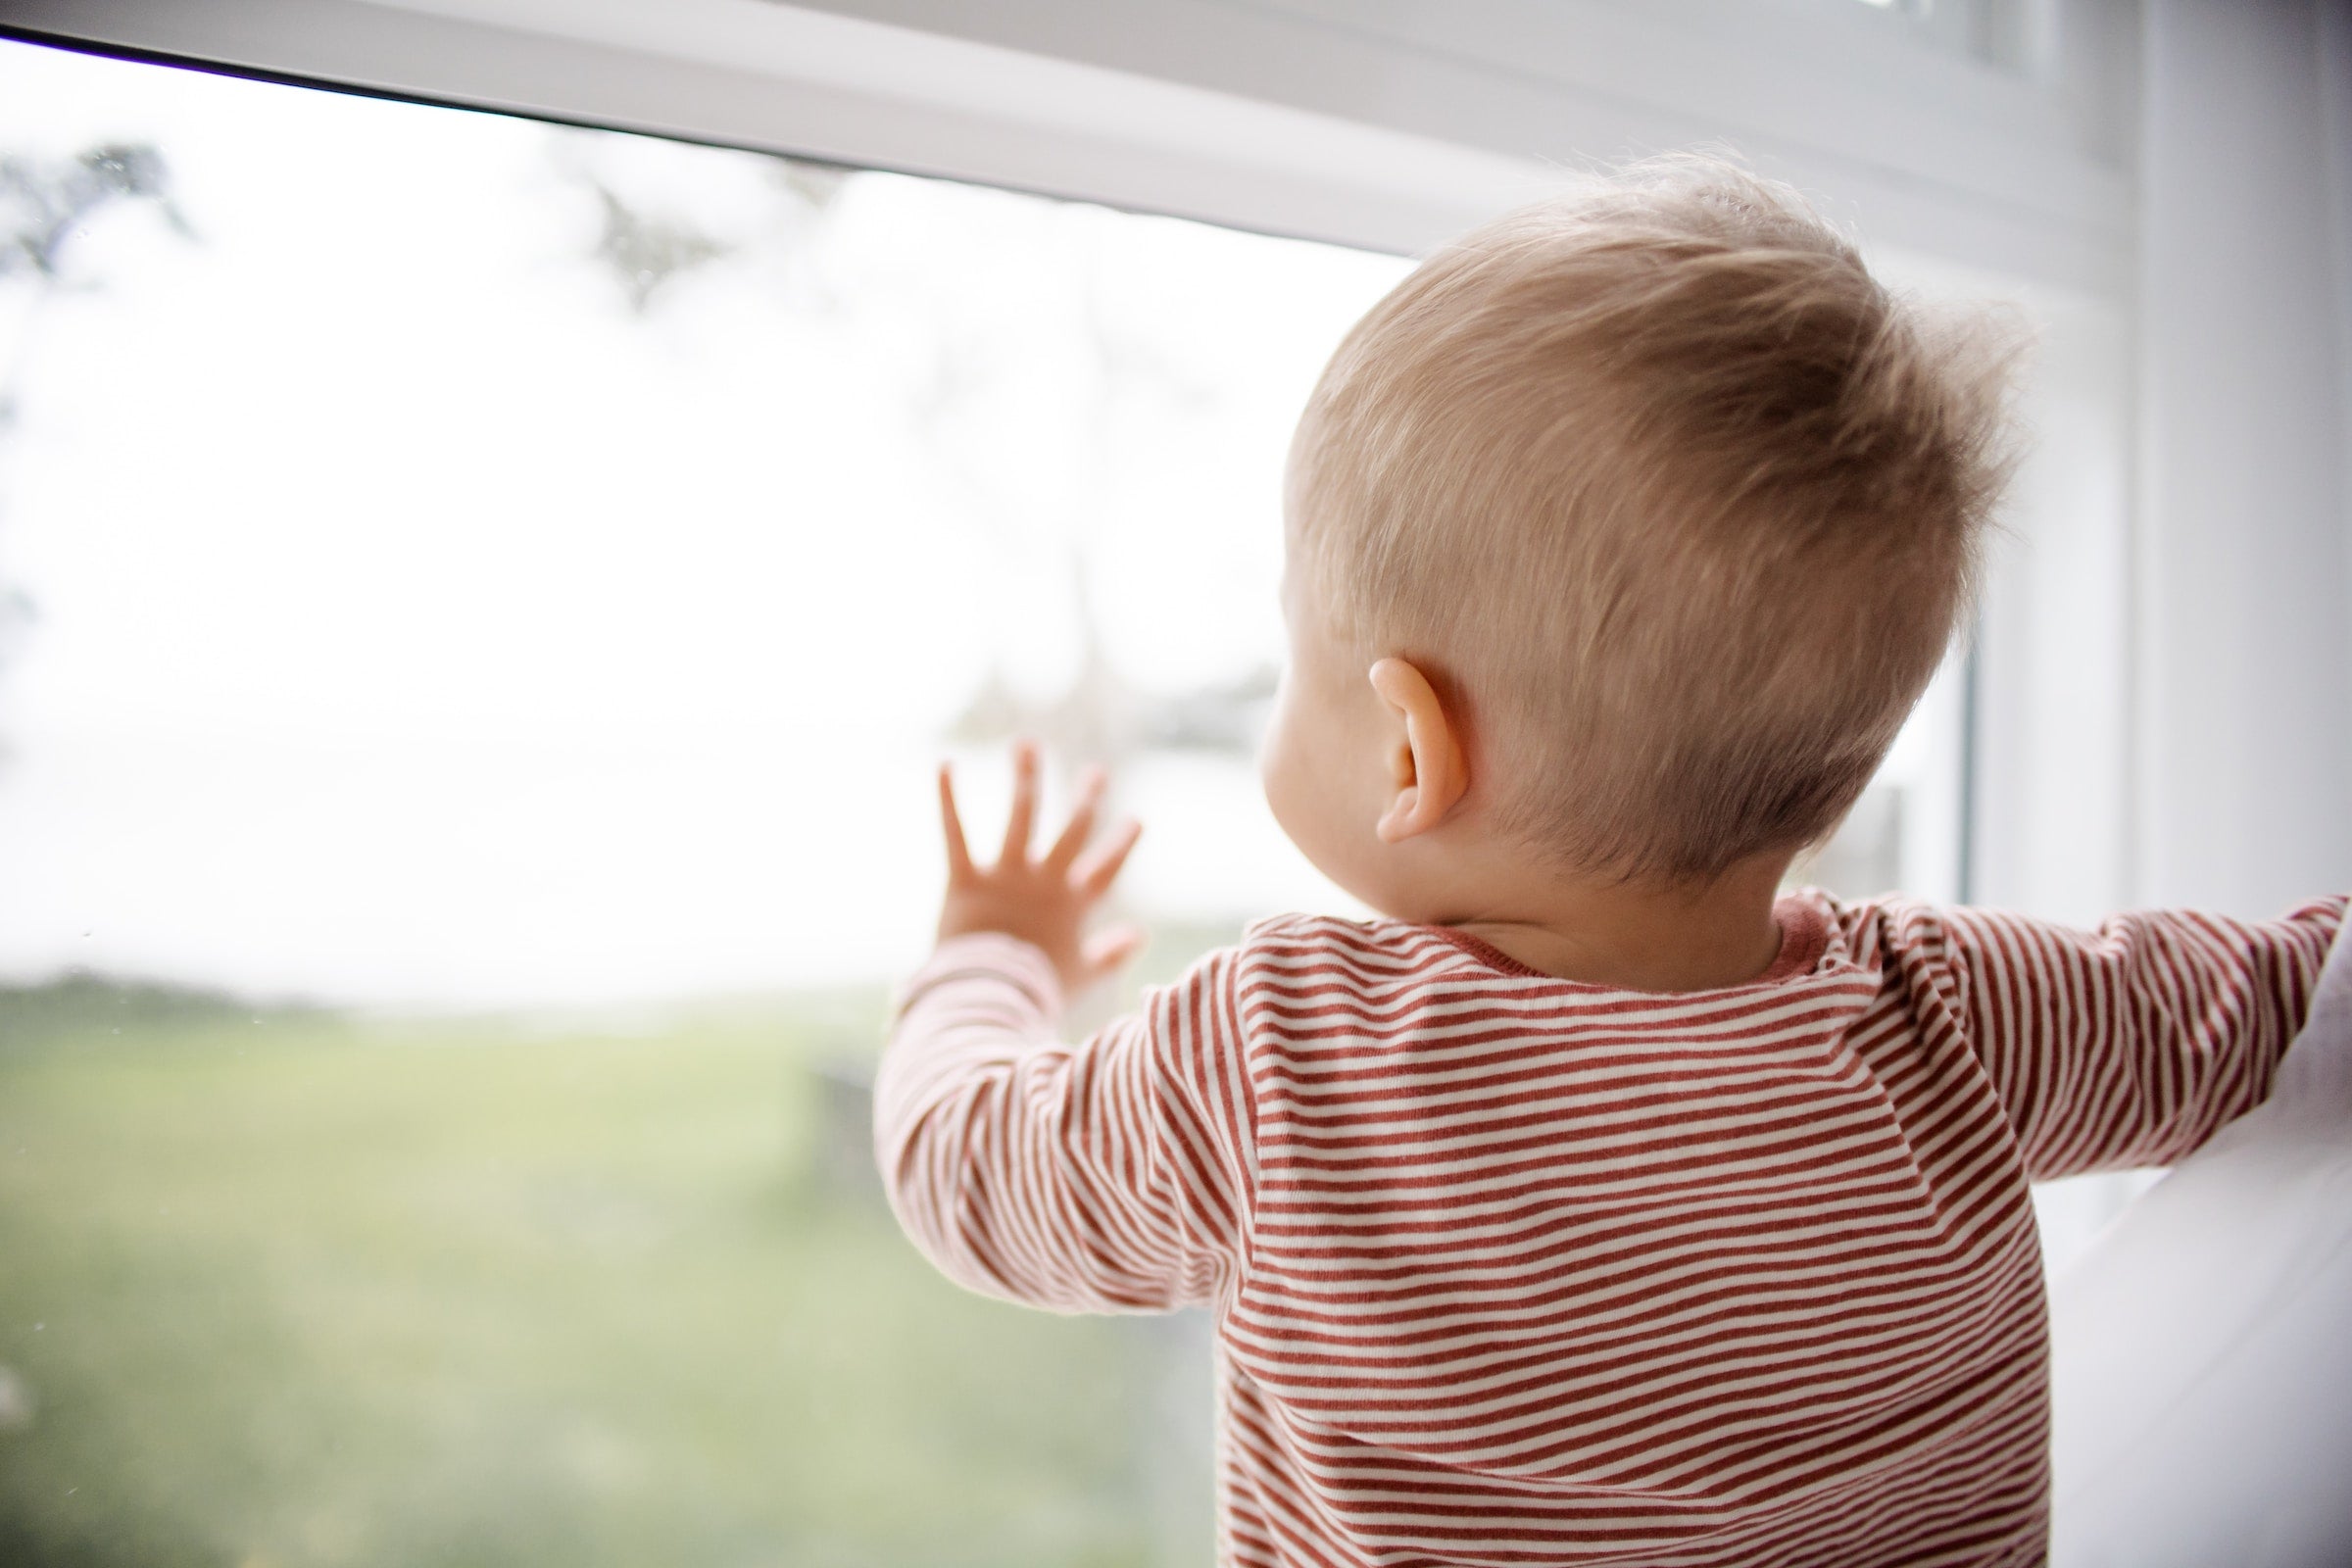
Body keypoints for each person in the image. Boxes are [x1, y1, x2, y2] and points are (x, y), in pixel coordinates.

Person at [871, 157, 2345, 1567]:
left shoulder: (1284, 1057)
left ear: (1408, 752)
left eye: (1293, 647)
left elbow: (971, 1174)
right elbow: (2294, 1000)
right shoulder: (1954, 1017)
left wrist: (991, 952)